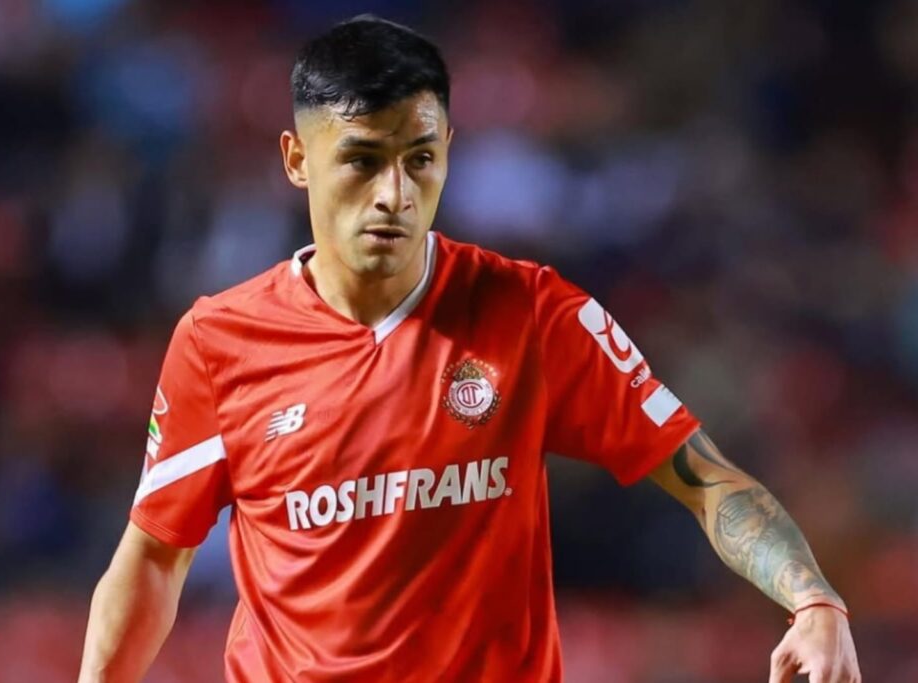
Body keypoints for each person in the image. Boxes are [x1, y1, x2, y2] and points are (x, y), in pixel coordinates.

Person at [78, 15, 862, 683]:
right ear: (295, 159)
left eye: (420, 158)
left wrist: (813, 598)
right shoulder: (220, 342)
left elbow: (704, 478)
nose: (395, 194)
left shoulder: (531, 312)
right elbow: (153, 555)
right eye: (360, 160)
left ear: (448, 148)